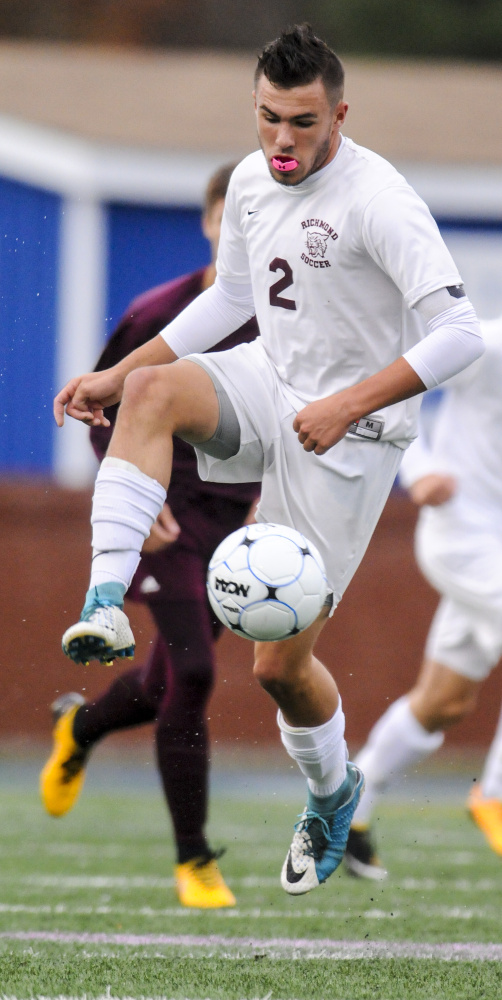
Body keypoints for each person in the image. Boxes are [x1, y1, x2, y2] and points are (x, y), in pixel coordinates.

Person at [52, 24, 485, 897]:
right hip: (268, 379)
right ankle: (104, 602)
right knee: (150, 397)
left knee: (278, 668)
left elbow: (459, 335)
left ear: (338, 115)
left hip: (351, 436)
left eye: (300, 122)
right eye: (266, 119)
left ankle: (334, 793)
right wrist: (117, 372)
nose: (281, 141)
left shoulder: (381, 200)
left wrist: (349, 402)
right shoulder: (251, 179)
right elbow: (235, 301)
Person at [40, 163, 260, 909]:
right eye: (226, 219)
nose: (238, 234)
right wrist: (143, 501)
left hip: (238, 522)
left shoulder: (280, 313)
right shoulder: (158, 312)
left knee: (168, 678)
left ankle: (83, 727)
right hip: (164, 520)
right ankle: (194, 859)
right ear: (204, 222)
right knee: (193, 677)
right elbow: (107, 408)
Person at [344, 315, 502, 879]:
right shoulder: (488, 344)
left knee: (445, 702)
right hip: (462, 535)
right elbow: (387, 383)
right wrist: (421, 468)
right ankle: (496, 794)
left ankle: (351, 804)